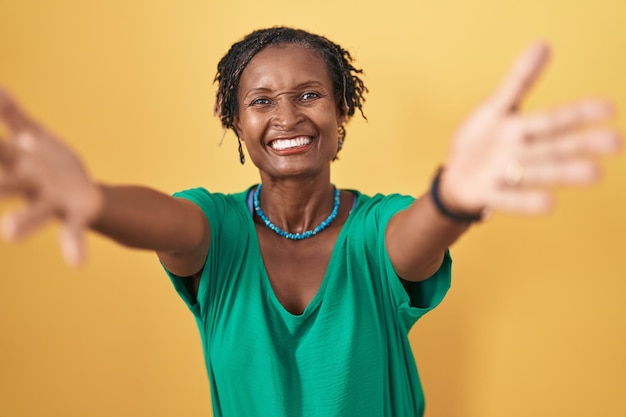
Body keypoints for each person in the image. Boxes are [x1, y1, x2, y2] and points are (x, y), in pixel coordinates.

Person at [0, 27, 621, 416]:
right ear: (234, 122)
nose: (287, 117)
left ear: (341, 111)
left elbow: (418, 237)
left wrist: (453, 195)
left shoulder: (378, 228)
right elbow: (166, 223)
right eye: (261, 101)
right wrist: (94, 199)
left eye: (309, 94)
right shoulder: (214, 229)